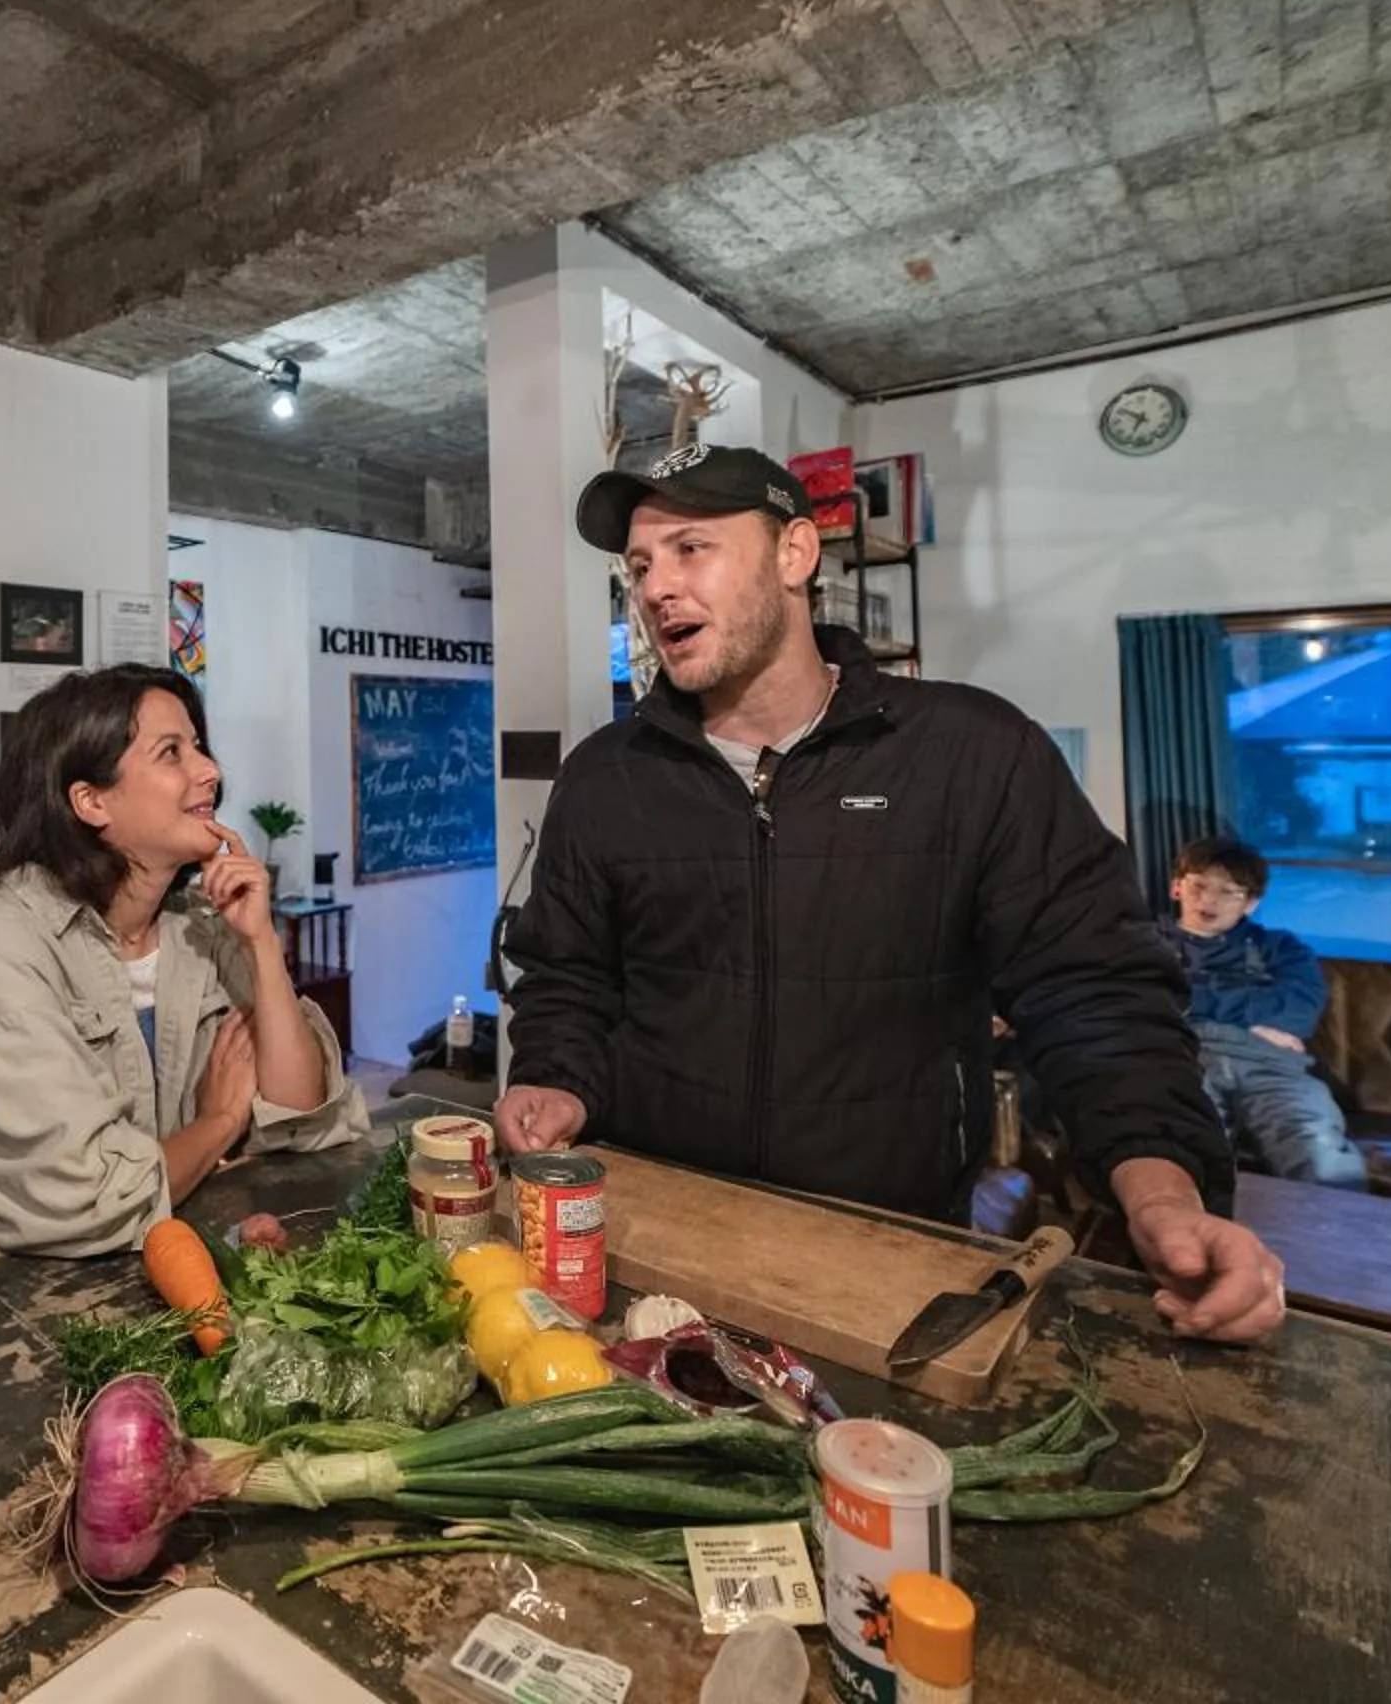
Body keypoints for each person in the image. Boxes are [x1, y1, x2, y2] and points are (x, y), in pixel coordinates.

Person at [497, 445, 1284, 1344]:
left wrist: (1163, 1190)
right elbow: (567, 974)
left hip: (888, 1249)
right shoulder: (606, 777)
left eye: (690, 549)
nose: (656, 587)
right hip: (656, 1236)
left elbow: (1093, 987)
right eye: (639, 566)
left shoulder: (973, 754)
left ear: (796, 554)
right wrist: (555, 1077)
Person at [0, 664, 366, 1269]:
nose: (210, 771)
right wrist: (220, 1122)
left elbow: (304, 1117)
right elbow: (84, 1200)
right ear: (89, 801)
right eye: (171, 752)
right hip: (12, 1306)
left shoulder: (202, 926)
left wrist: (263, 943)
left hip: (173, 1268)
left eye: (199, 746)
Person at [1164, 838, 1367, 1190]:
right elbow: (1143, 1002)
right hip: (1183, 1056)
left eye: (1229, 892)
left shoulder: (1280, 947)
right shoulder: (1144, 944)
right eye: (1199, 885)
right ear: (1177, 887)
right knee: (1185, 1153)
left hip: (1269, 1063)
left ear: (1251, 904)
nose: (1209, 900)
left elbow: (1298, 1008)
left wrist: (1191, 1001)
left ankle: (1342, 1240)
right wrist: (1246, 1011)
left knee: (1320, 1155)